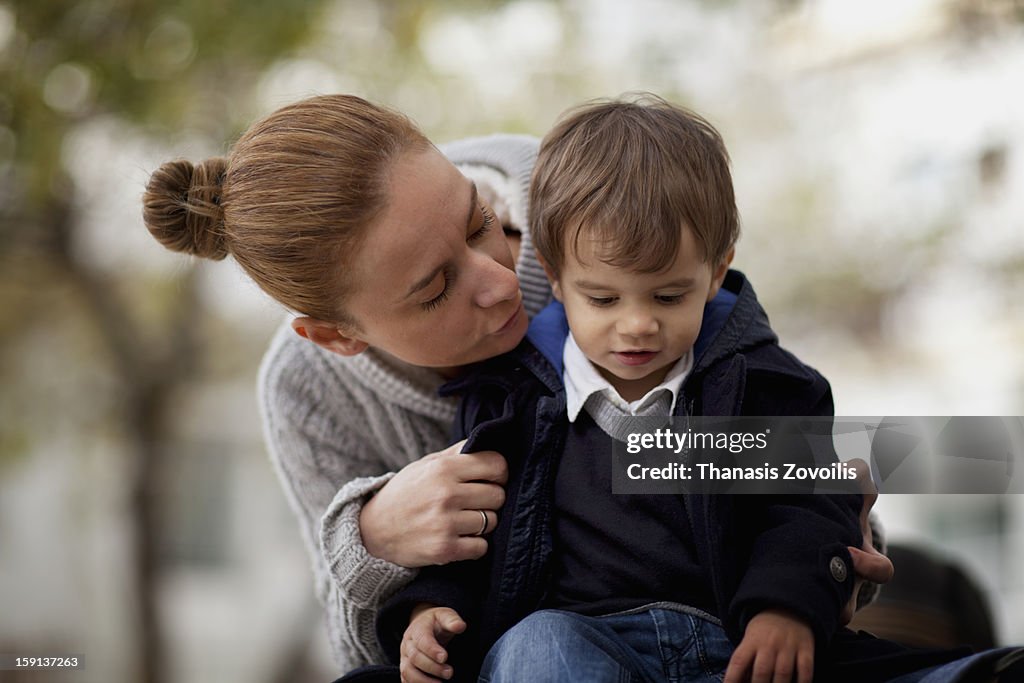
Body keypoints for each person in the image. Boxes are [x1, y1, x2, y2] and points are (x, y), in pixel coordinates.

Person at [140, 93, 892, 675]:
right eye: (435, 290)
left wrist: (827, 553)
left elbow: (760, 397)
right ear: (337, 335)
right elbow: (363, 647)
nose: (501, 282)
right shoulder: (306, 393)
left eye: (481, 222)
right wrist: (370, 540)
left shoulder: (585, 205)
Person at [376, 95, 1024, 683]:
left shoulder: (763, 382)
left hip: (740, 638)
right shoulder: (514, 394)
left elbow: (807, 504)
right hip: (586, 643)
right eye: (602, 298)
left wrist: (786, 605)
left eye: (669, 294)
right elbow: (472, 528)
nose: (637, 324)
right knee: (536, 648)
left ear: (716, 273)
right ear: (552, 272)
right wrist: (432, 608)